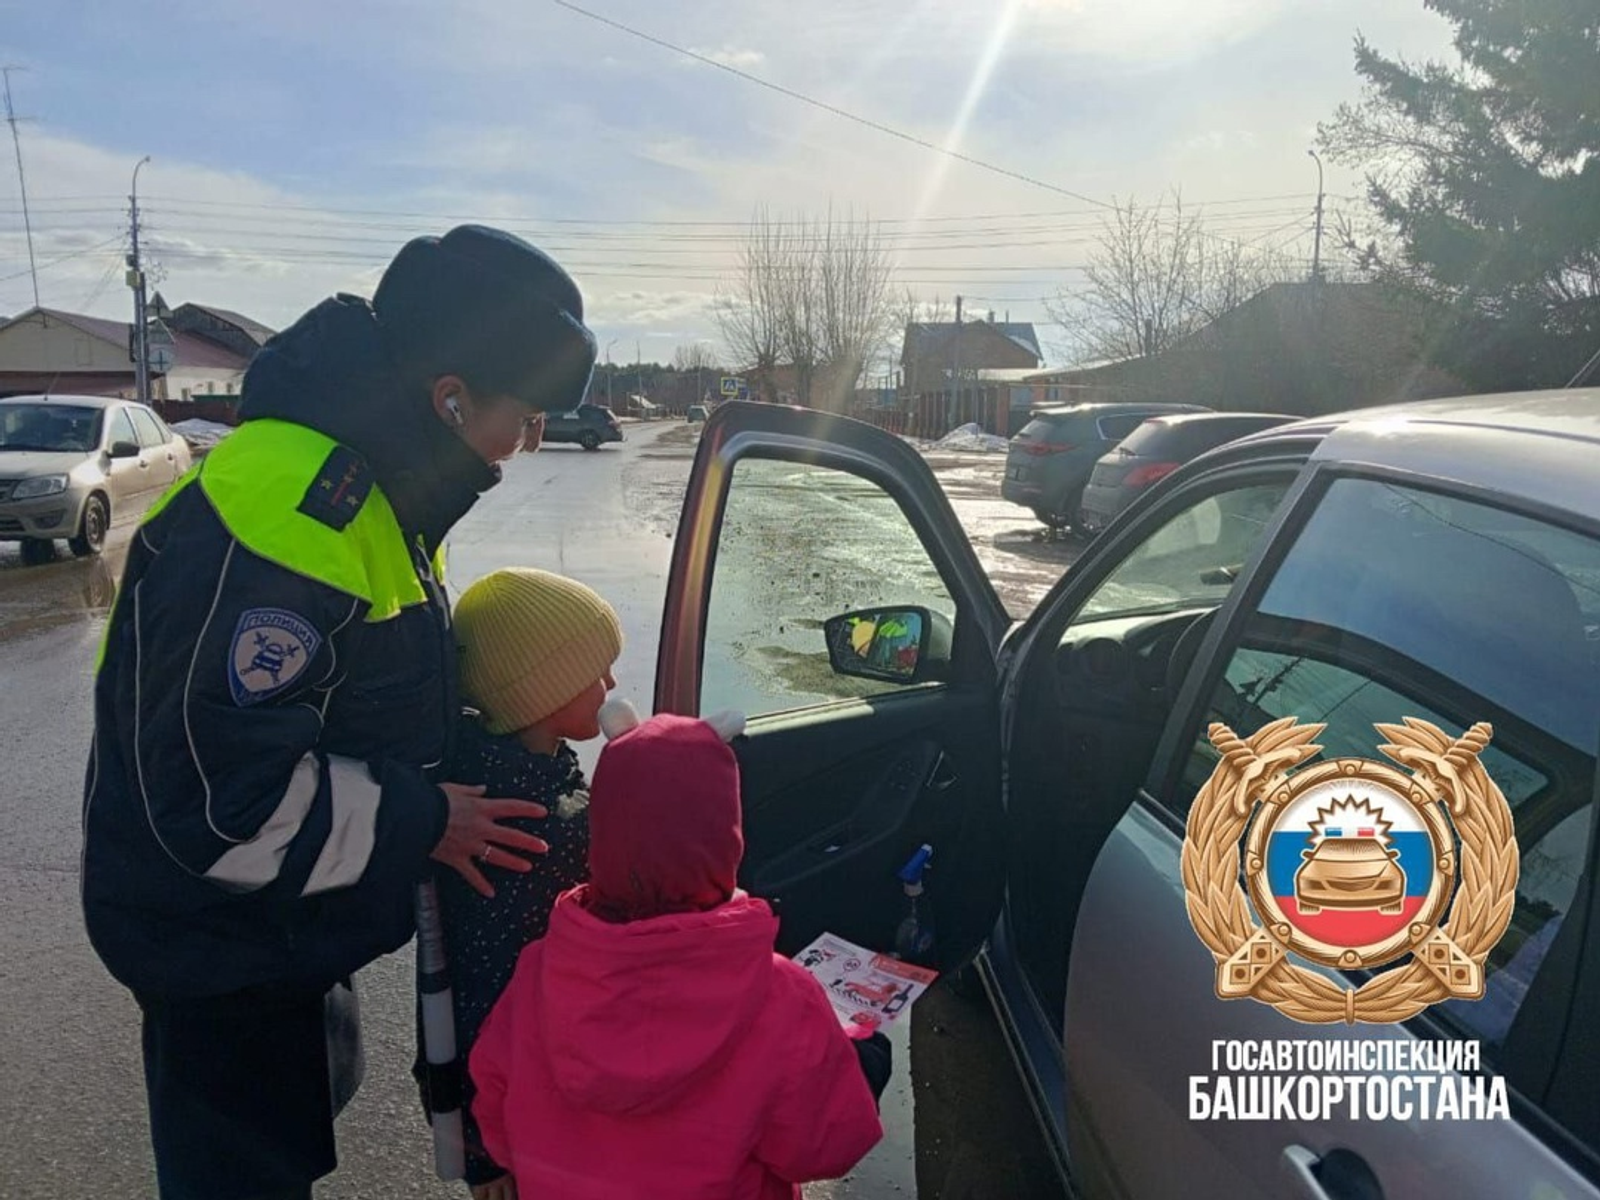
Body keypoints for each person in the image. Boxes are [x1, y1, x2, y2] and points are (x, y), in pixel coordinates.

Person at [79, 225, 598, 1200]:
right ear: (449, 397)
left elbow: (374, 705)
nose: (523, 448)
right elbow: (224, 801)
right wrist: (428, 818)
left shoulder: (386, 497)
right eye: (520, 419)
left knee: (296, 1131)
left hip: (287, 925)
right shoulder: (295, 514)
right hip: (221, 950)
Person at [469, 712, 889, 1200]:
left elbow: (496, 1114)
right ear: (727, 838)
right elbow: (827, 1145)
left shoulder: (541, 971)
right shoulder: (781, 997)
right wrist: (866, 1058)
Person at [429, 567, 623, 1196]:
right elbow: (480, 995)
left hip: (519, 1095)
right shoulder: (531, 823)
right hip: (521, 1106)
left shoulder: (508, 773)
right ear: (541, 692)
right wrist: (485, 1151)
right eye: (596, 672)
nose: (613, 683)